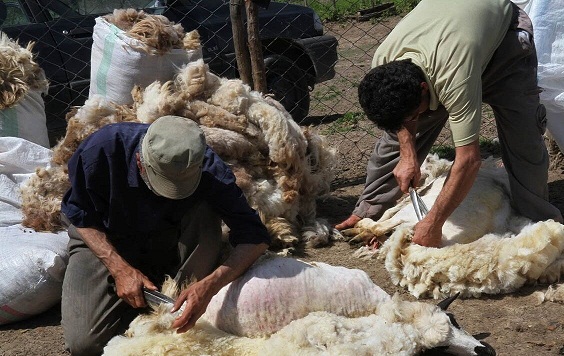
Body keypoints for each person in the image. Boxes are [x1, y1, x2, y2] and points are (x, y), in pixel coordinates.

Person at [336, 0, 563, 247]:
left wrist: (433, 223)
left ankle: (539, 227)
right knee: (395, 142)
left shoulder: (454, 79)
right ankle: (370, 213)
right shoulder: (384, 63)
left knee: (523, 137)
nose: (412, 120)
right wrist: (408, 155)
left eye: (412, 115)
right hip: (452, 41)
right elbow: (401, 120)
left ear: (424, 89)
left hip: (504, 42)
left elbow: (468, 160)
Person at [60, 115, 270, 355]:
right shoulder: (101, 150)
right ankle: (140, 295)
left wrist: (209, 286)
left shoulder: (209, 168)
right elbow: (80, 214)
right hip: (106, 237)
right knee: (85, 344)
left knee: (205, 211)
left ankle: (178, 299)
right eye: (164, 183)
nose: (171, 193)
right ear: (140, 161)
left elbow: (254, 237)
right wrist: (119, 269)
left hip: (168, 236)